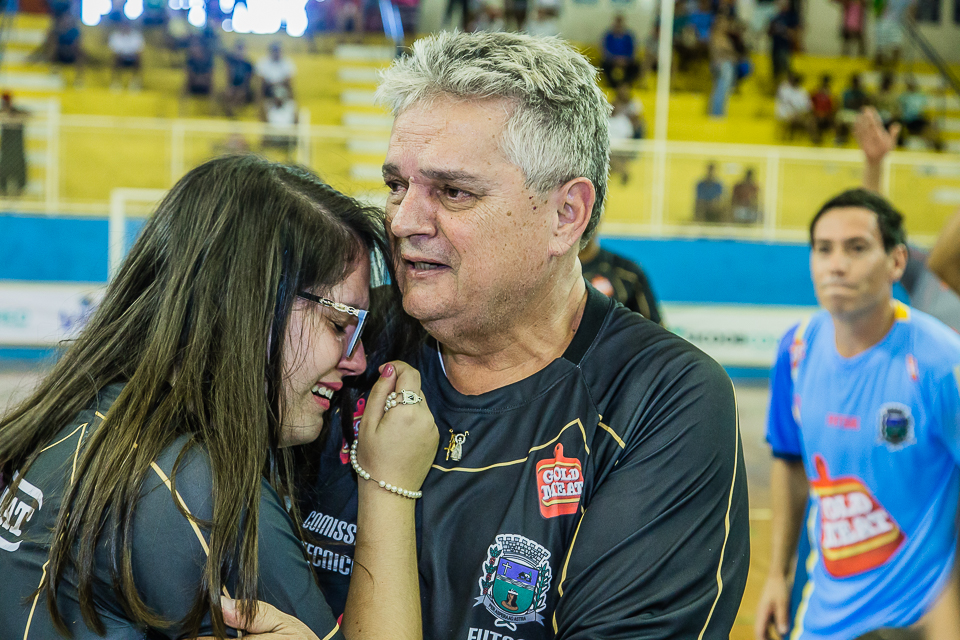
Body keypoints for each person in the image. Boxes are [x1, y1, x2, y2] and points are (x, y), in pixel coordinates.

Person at [248, 30, 749, 640]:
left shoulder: (662, 400)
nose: (403, 222)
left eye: (453, 192)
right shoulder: (339, 345)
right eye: (396, 186)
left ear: (567, 215)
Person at [0, 155, 439, 639]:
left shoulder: (84, 420)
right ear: (249, 307)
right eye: (340, 324)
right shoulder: (196, 490)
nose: (356, 361)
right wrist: (388, 487)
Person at [753, 187, 960, 639]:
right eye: (823, 249)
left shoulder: (943, 363)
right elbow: (789, 462)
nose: (836, 264)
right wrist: (779, 574)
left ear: (897, 262)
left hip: (918, 622)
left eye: (857, 248)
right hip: (825, 620)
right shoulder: (797, 349)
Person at [578, 236, 662, 323]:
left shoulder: (628, 274)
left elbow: (655, 328)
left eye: (585, 221)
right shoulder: (563, 273)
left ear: (598, 222)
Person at [0, 93, 28, 197]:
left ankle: (19, 190)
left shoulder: (18, 112)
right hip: (6, 148)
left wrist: (13, 117)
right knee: (4, 169)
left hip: (17, 147)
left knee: (20, 168)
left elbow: (28, 115)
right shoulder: (3, 113)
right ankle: (3, 190)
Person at [601, 14, 639, 88]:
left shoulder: (629, 36)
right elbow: (605, 50)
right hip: (612, 61)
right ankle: (612, 85)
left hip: (626, 61)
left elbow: (632, 50)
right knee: (604, 65)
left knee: (635, 67)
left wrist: (625, 59)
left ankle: (627, 84)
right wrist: (614, 59)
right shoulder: (608, 36)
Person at [768, 0, 799, 88]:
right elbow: (769, 33)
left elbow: (796, 33)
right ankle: (776, 89)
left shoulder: (792, 16)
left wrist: (783, 29)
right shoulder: (775, 16)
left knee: (784, 69)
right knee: (775, 71)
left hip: (785, 47)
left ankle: (785, 88)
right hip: (775, 47)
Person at [775, 72, 815, 140]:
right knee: (791, 119)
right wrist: (792, 114)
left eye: (795, 79)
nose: (793, 81)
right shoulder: (783, 89)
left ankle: (814, 142)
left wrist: (801, 114)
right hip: (786, 114)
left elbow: (808, 107)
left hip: (799, 115)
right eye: (792, 79)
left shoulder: (802, 91)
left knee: (811, 121)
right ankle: (786, 140)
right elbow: (783, 105)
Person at [221, 41, 255, 118]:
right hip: (233, 86)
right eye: (238, 49)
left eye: (241, 49)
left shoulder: (248, 65)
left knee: (241, 94)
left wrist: (242, 89)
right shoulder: (231, 63)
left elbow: (247, 81)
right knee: (228, 93)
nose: (239, 51)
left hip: (244, 88)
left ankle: (235, 114)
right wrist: (230, 87)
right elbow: (229, 78)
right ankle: (230, 113)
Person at [108, 22, 145, 91]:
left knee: (139, 59)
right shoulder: (115, 36)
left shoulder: (136, 36)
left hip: (132, 58)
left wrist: (132, 55)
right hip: (120, 58)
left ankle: (135, 82)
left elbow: (139, 50)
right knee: (115, 59)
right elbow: (114, 51)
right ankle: (116, 82)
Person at [810, 74, 836, 144]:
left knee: (836, 121)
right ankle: (816, 139)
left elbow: (834, 107)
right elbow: (811, 105)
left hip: (828, 115)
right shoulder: (816, 93)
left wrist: (827, 114)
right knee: (812, 121)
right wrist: (818, 113)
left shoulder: (831, 94)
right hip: (817, 115)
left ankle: (834, 140)